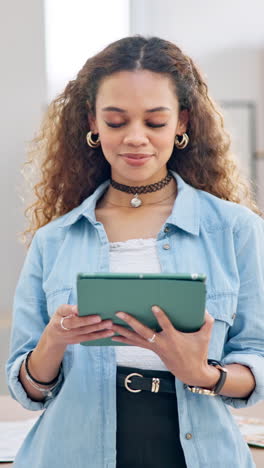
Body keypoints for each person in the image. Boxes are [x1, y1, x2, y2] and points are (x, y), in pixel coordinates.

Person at [6, 35, 264, 468]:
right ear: (93, 123)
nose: (135, 138)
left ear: (183, 122)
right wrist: (52, 342)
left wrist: (203, 374)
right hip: (70, 452)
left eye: (156, 122)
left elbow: (257, 356)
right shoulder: (55, 239)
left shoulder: (235, 230)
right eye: (116, 121)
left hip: (197, 453)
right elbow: (27, 388)